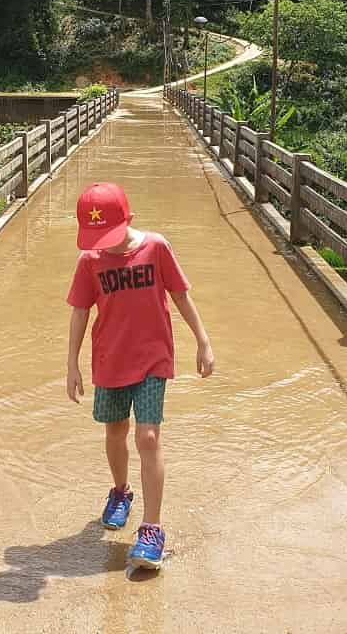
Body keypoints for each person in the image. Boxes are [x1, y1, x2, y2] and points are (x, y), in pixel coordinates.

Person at [65, 181, 215, 570]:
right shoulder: (90, 262)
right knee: (115, 431)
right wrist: (72, 364)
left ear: (129, 219)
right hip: (109, 361)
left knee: (147, 436)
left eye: (111, 234)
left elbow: (181, 295)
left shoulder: (156, 247)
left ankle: (151, 529)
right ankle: (120, 492)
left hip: (153, 359)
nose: (106, 244)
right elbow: (80, 311)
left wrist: (203, 341)